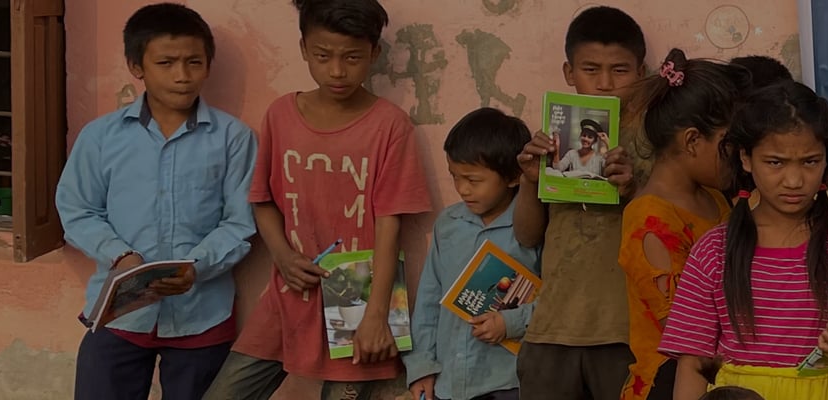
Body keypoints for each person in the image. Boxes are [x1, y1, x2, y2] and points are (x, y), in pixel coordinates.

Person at [208, 0, 434, 398]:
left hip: (358, 290)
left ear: (374, 54)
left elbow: (389, 224)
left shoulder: (390, 126)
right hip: (292, 286)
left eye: (352, 57)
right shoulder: (281, 114)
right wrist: (281, 254)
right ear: (303, 49)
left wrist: (376, 314)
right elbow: (262, 199)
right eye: (323, 56)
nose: (337, 70)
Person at [658, 82, 828, 400]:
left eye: (809, 162)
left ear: (826, 160)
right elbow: (694, 362)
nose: (794, 181)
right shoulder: (713, 249)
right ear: (746, 159)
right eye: (775, 162)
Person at [60, 4, 254, 399]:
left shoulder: (233, 138)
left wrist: (196, 268)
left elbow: (240, 221)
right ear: (137, 66)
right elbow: (78, 211)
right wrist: (120, 256)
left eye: (193, 62)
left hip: (202, 314)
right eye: (166, 63)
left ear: (208, 64)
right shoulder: (101, 137)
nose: (182, 76)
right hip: (119, 315)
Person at [510, 6, 644, 400]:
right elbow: (527, 234)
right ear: (569, 73)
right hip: (552, 327)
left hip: (624, 330)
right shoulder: (553, 142)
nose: (605, 83)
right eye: (590, 69)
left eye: (620, 70)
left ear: (641, 72)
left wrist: (632, 190)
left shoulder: (651, 143)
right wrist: (531, 180)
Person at [618, 49, 749, 400]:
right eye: (731, 144)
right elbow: (683, 326)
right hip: (669, 382)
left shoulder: (714, 197)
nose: (740, 157)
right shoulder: (650, 219)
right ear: (692, 141)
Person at [405, 108, 539, 400]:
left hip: (509, 383)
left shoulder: (534, 228)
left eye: (474, 180)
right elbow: (429, 301)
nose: (462, 189)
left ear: (514, 177)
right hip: (448, 383)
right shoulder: (449, 225)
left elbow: (556, 302)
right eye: (455, 177)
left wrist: (511, 323)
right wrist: (421, 367)